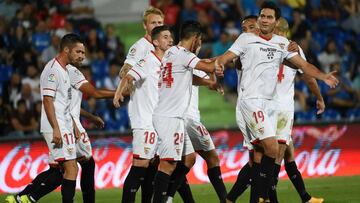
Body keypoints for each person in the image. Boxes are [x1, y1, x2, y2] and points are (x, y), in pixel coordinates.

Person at [215, 1, 338, 202]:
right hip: (251, 102)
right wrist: (217, 66)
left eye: (269, 17)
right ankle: (265, 197)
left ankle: (241, 199)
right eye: (262, 16)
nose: (264, 20)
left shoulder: (282, 45)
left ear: (276, 22)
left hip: (270, 105)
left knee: (260, 156)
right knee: (273, 150)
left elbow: (304, 67)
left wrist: (324, 76)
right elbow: (227, 58)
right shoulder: (246, 39)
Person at [6, 59, 115, 203]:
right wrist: (122, 92)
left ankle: (22, 197)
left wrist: (91, 117)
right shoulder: (69, 72)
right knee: (77, 166)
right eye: (78, 52)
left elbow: (72, 106)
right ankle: (32, 198)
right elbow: (91, 95)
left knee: (58, 169)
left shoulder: (66, 72)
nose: (82, 56)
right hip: (65, 125)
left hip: (64, 123)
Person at [151, 20, 223, 203]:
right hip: (170, 117)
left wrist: (209, 83)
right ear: (196, 38)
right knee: (167, 165)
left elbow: (190, 78)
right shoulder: (184, 54)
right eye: (200, 40)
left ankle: (167, 198)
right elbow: (208, 67)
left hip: (172, 116)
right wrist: (225, 59)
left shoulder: (171, 53)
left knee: (185, 159)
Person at [113, 25, 173, 203]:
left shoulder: (168, 63)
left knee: (153, 169)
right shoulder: (147, 61)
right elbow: (128, 76)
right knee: (140, 166)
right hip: (145, 122)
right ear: (155, 42)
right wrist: (118, 93)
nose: (170, 40)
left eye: (170, 37)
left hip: (160, 123)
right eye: (165, 37)